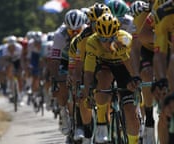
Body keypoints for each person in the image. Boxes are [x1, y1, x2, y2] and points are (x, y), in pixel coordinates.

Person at [84, 13, 139, 143]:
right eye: (103, 39)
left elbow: (134, 70)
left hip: (123, 68)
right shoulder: (92, 42)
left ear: (117, 33)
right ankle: (102, 123)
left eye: (111, 38)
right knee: (104, 77)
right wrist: (88, 93)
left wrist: (124, 55)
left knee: (130, 111)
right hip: (104, 67)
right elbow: (88, 72)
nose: (107, 43)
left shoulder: (125, 39)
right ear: (97, 35)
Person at [68, 3, 112, 143]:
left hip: (111, 63)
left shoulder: (116, 29)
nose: (98, 25)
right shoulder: (82, 39)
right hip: (90, 64)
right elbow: (79, 66)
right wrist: (78, 85)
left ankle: (111, 126)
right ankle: (87, 131)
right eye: (94, 22)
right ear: (89, 23)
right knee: (83, 95)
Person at [49, 9, 86, 143]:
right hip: (64, 60)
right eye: (72, 31)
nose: (75, 34)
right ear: (66, 28)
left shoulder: (88, 31)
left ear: (84, 26)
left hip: (81, 59)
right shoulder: (60, 35)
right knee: (63, 87)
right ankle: (64, 112)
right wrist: (54, 79)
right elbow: (54, 59)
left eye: (78, 31)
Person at [127, 1, 156, 143]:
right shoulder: (141, 18)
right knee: (147, 73)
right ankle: (149, 119)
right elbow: (135, 49)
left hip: (166, 49)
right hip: (147, 51)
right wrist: (136, 74)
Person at [151, 0, 174, 143]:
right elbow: (160, 54)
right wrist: (161, 80)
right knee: (167, 109)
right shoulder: (164, 12)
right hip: (171, 58)